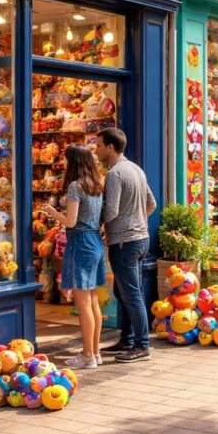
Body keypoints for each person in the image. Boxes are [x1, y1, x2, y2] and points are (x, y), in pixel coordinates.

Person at [96, 128, 157, 363]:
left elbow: (110, 211)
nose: (97, 150)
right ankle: (128, 338)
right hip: (140, 239)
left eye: (99, 145)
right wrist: (137, 220)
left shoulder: (114, 174)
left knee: (131, 294)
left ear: (111, 147)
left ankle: (141, 345)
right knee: (124, 292)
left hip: (124, 241)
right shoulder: (136, 169)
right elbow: (151, 203)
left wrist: (97, 225)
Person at [42, 144, 106, 369]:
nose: (64, 163)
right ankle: (95, 353)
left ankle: (88, 355)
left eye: (67, 159)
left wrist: (51, 212)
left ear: (74, 161)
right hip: (95, 241)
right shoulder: (96, 186)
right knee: (93, 300)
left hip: (80, 242)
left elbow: (70, 221)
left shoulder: (75, 186)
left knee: (84, 303)